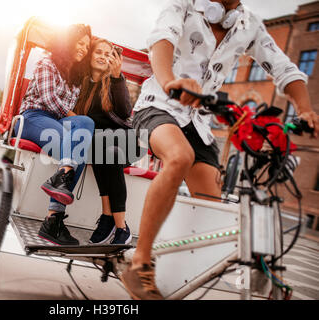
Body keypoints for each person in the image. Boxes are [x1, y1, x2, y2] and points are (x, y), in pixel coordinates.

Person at [120, 0, 319, 300]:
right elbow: (162, 39)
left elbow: (283, 67)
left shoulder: (248, 25)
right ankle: (139, 264)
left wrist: (305, 109)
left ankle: (176, 276)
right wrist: (170, 81)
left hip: (200, 122)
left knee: (209, 210)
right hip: (158, 105)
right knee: (179, 157)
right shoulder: (183, 5)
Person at [15, 24, 94, 246]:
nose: (84, 49)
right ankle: (54, 218)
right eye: (80, 43)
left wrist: (75, 124)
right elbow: (50, 101)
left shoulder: (77, 77)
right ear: (68, 42)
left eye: (87, 46)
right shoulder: (46, 64)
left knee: (86, 123)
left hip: (57, 122)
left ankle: (59, 186)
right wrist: (72, 123)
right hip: (33, 117)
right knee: (73, 141)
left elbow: (66, 115)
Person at [73, 38, 144, 245]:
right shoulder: (81, 83)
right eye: (99, 52)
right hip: (99, 144)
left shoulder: (114, 81)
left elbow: (124, 111)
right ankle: (107, 218)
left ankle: (121, 227)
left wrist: (116, 77)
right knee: (100, 148)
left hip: (126, 142)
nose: (103, 56)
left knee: (108, 151)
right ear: (90, 55)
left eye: (108, 54)